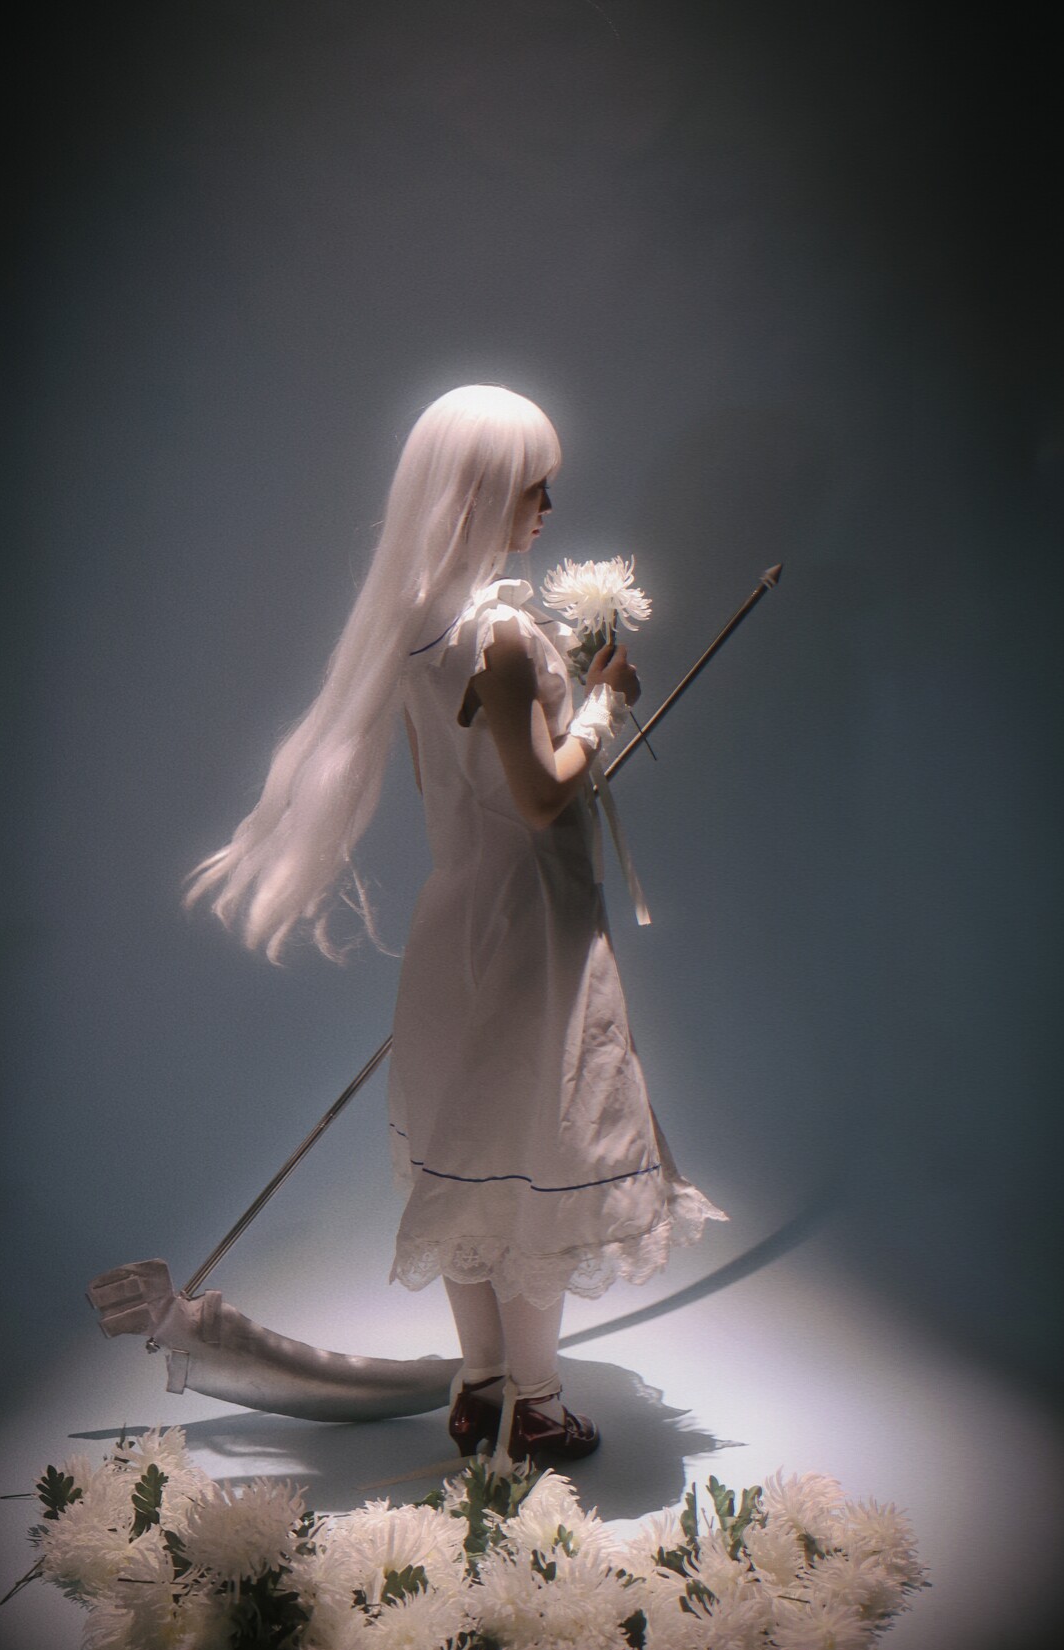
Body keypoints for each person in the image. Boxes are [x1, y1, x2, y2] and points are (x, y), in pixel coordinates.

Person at [188, 385, 725, 1464]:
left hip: (460, 912)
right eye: (534, 488)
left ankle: (481, 1389)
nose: (549, 508)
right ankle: (535, 1405)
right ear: (483, 496)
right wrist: (608, 699)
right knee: (537, 1152)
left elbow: (451, 784)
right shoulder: (504, 634)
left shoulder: (423, 628)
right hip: (535, 925)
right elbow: (543, 794)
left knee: (474, 1154)